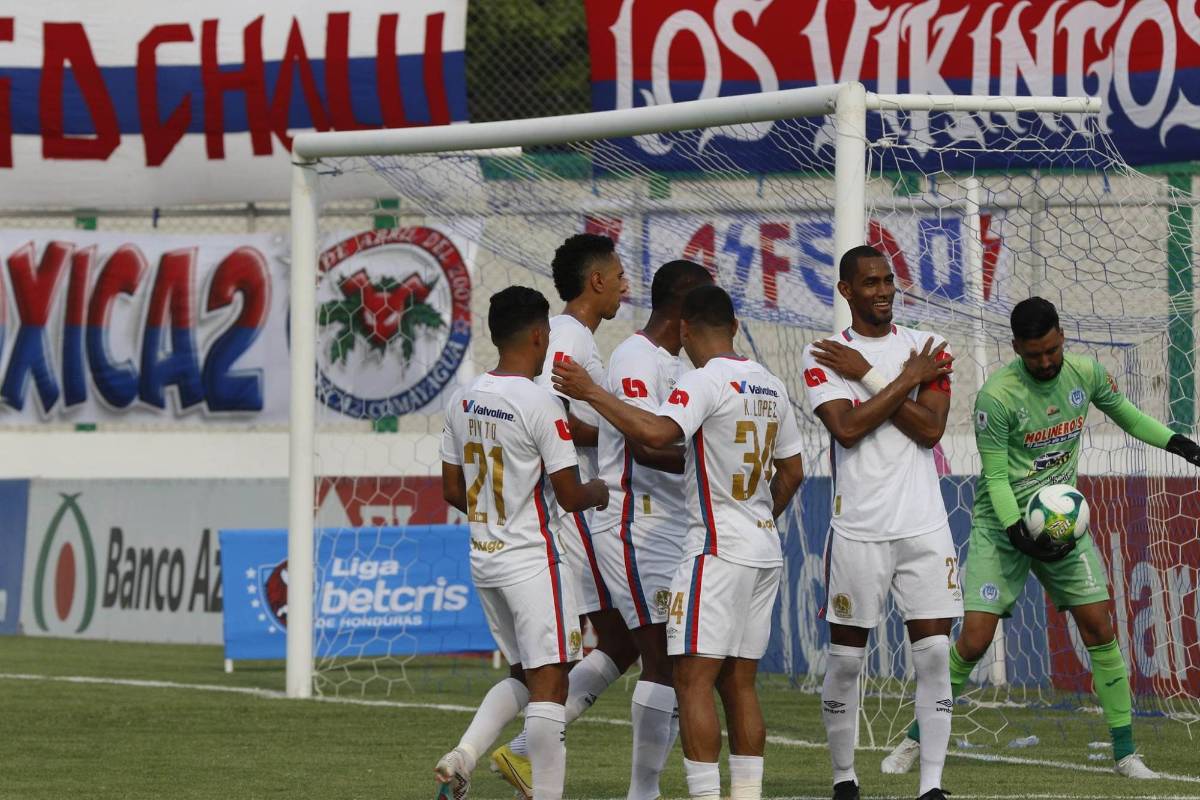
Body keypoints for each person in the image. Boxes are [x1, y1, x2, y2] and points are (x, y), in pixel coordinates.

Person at [881, 295, 1200, 780]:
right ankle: (913, 740)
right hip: (1001, 528)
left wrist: (1178, 443)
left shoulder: (1085, 374)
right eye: (1035, 355)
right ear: (1017, 348)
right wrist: (1016, 532)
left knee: (1100, 626)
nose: (1046, 362)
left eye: (1052, 350)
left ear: (1062, 338)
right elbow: (995, 477)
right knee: (972, 640)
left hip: (1059, 526)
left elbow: (1128, 416)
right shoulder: (997, 396)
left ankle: (1126, 754)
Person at [553, 284, 805, 800]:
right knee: (739, 685)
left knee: (689, 680)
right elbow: (794, 469)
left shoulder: (703, 382)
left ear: (686, 330)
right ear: (735, 327)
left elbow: (656, 434)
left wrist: (592, 393)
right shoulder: (770, 385)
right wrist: (758, 516)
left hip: (713, 552)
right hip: (762, 549)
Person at [435, 286, 609, 800]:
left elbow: (450, 489)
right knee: (552, 686)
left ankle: (463, 757)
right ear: (539, 334)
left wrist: (497, 513)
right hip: (533, 561)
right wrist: (601, 491)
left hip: (484, 558)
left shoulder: (463, 396)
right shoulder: (539, 401)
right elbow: (571, 493)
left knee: (525, 675)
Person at [800, 245, 960, 800]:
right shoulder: (821, 353)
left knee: (936, 653)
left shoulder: (928, 348)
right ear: (846, 290)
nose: (883, 291)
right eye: (869, 283)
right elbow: (847, 429)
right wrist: (899, 381)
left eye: (888, 280)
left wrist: (870, 376)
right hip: (859, 529)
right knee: (845, 662)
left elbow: (930, 430)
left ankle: (931, 787)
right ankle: (845, 779)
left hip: (924, 524)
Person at [491, 234, 639, 799]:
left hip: (565, 504)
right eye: (619, 274)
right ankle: (520, 754)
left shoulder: (565, 336)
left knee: (606, 642)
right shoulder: (572, 339)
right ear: (595, 281)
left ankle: (508, 753)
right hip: (577, 505)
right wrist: (634, 426)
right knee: (615, 641)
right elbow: (560, 423)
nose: (626, 284)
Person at [591, 259, 714, 800]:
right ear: (685, 310)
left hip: (673, 526)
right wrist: (717, 466)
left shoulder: (683, 370)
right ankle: (643, 792)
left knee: (662, 655)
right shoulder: (634, 357)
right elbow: (645, 444)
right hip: (633, 521)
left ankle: (526, 744)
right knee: (661, 658)